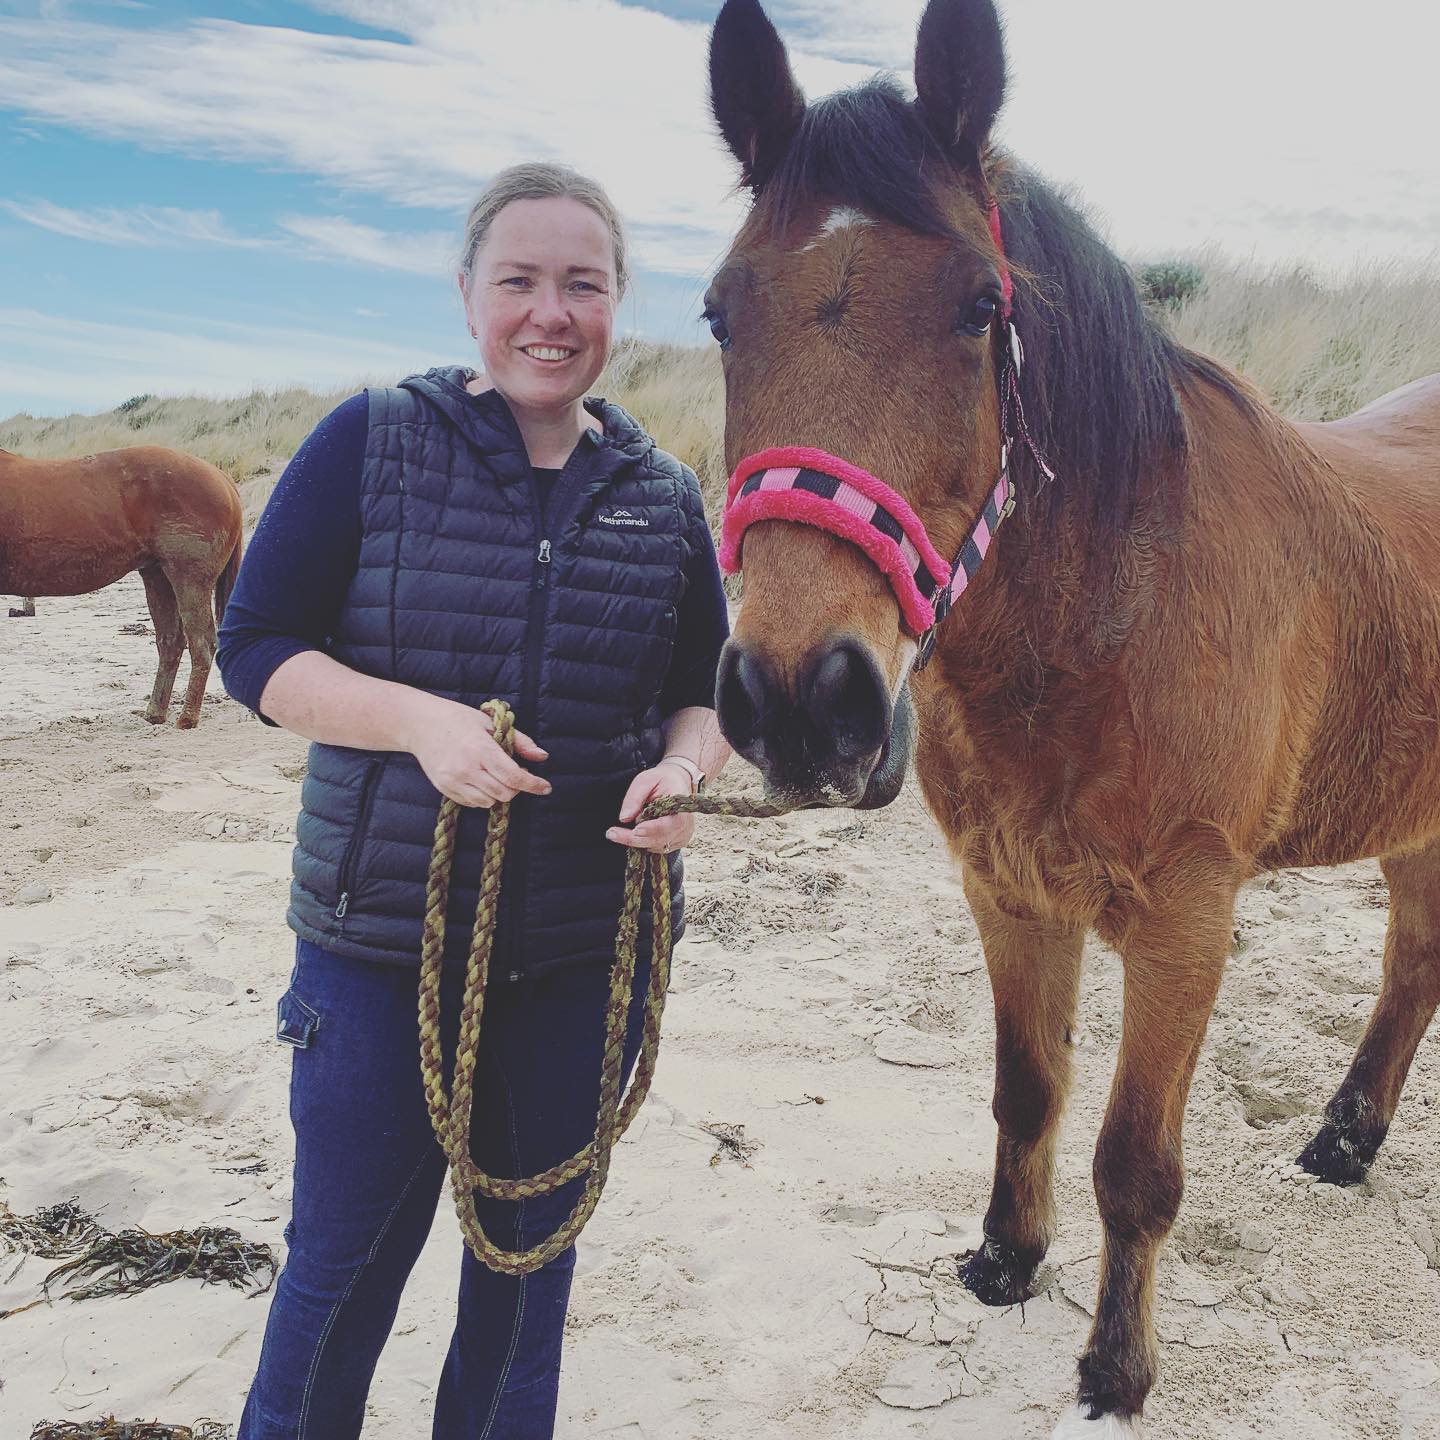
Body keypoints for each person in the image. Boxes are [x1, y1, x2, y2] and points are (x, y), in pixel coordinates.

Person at [217, 161, 732, 1440]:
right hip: (377, 950)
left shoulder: (665, 501)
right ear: (467, 297)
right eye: (519, 281)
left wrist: (684, 774)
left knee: (524, 1282)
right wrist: (417, 724)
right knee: (340, 1277)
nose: (549, 314)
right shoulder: (370, 438)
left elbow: (702, 697)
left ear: (618, 307)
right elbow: (257, 650)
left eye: (583, 284)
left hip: (575, 950)